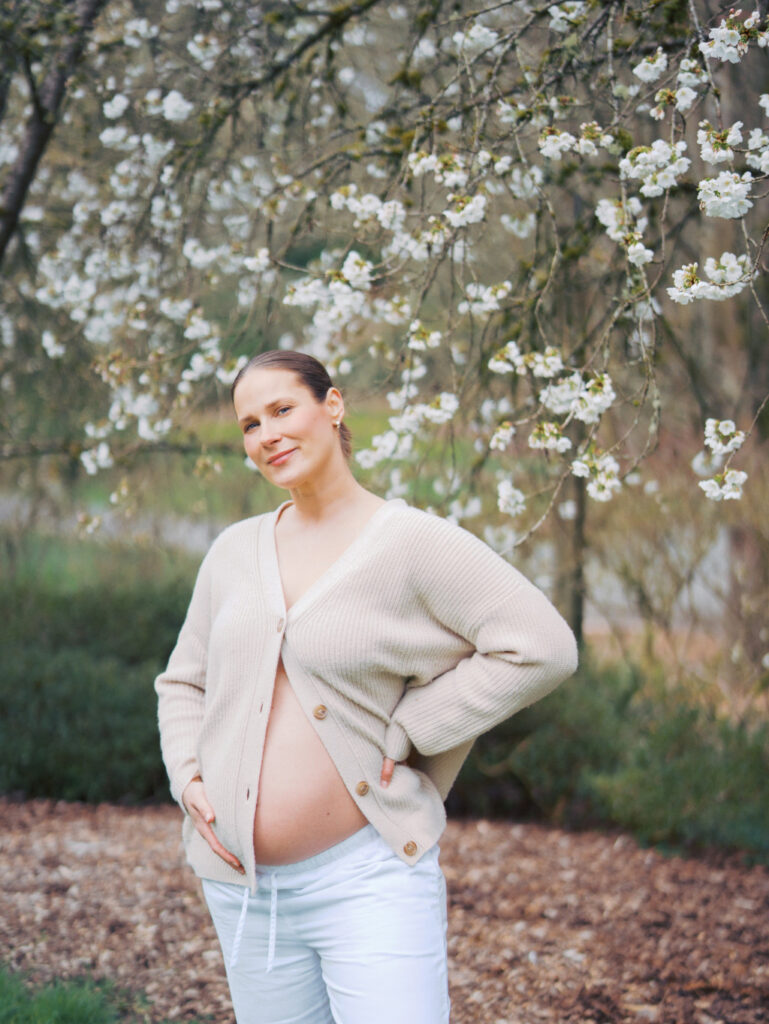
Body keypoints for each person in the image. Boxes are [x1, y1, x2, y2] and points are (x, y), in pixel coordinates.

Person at [155, 349, 578, 1024]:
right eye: (249, 424)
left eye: (282, 409)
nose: (266, 435)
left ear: (333, 405)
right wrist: (190, 780)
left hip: (365, 879)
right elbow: (182, 683)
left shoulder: (411, 542)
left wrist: (416, 725)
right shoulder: (234, 552)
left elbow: (543, 647)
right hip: (241, 890)